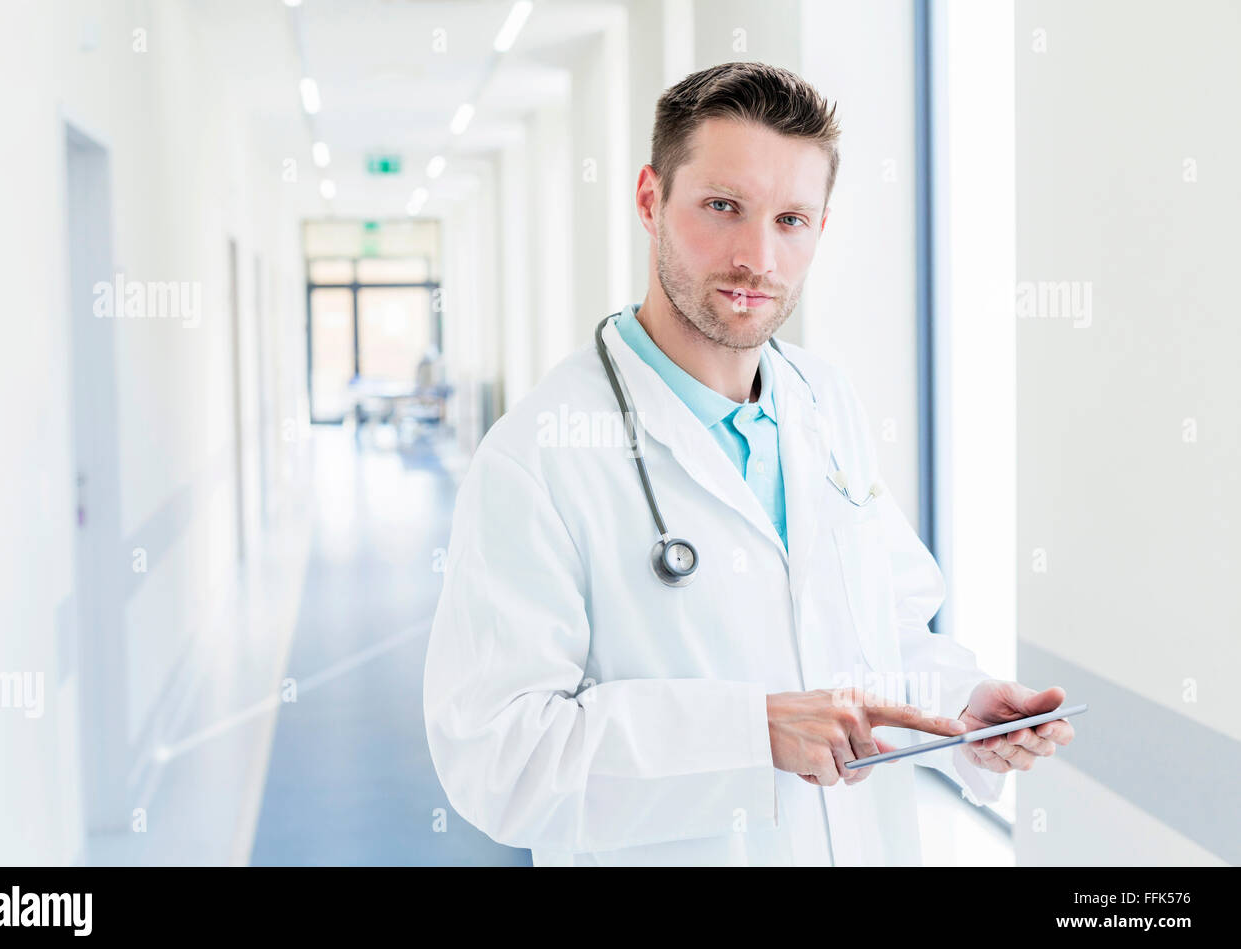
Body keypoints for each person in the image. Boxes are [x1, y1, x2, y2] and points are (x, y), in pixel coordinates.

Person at [422, 61, 1075, 865]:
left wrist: (964, 705)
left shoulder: (824, 401)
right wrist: (747, 732)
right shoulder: (538, 457)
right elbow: (499, 759)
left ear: (821, 229)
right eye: (722, 207)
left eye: (791, 220)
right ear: (649, 200)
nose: (756, 258)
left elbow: (885, 633)